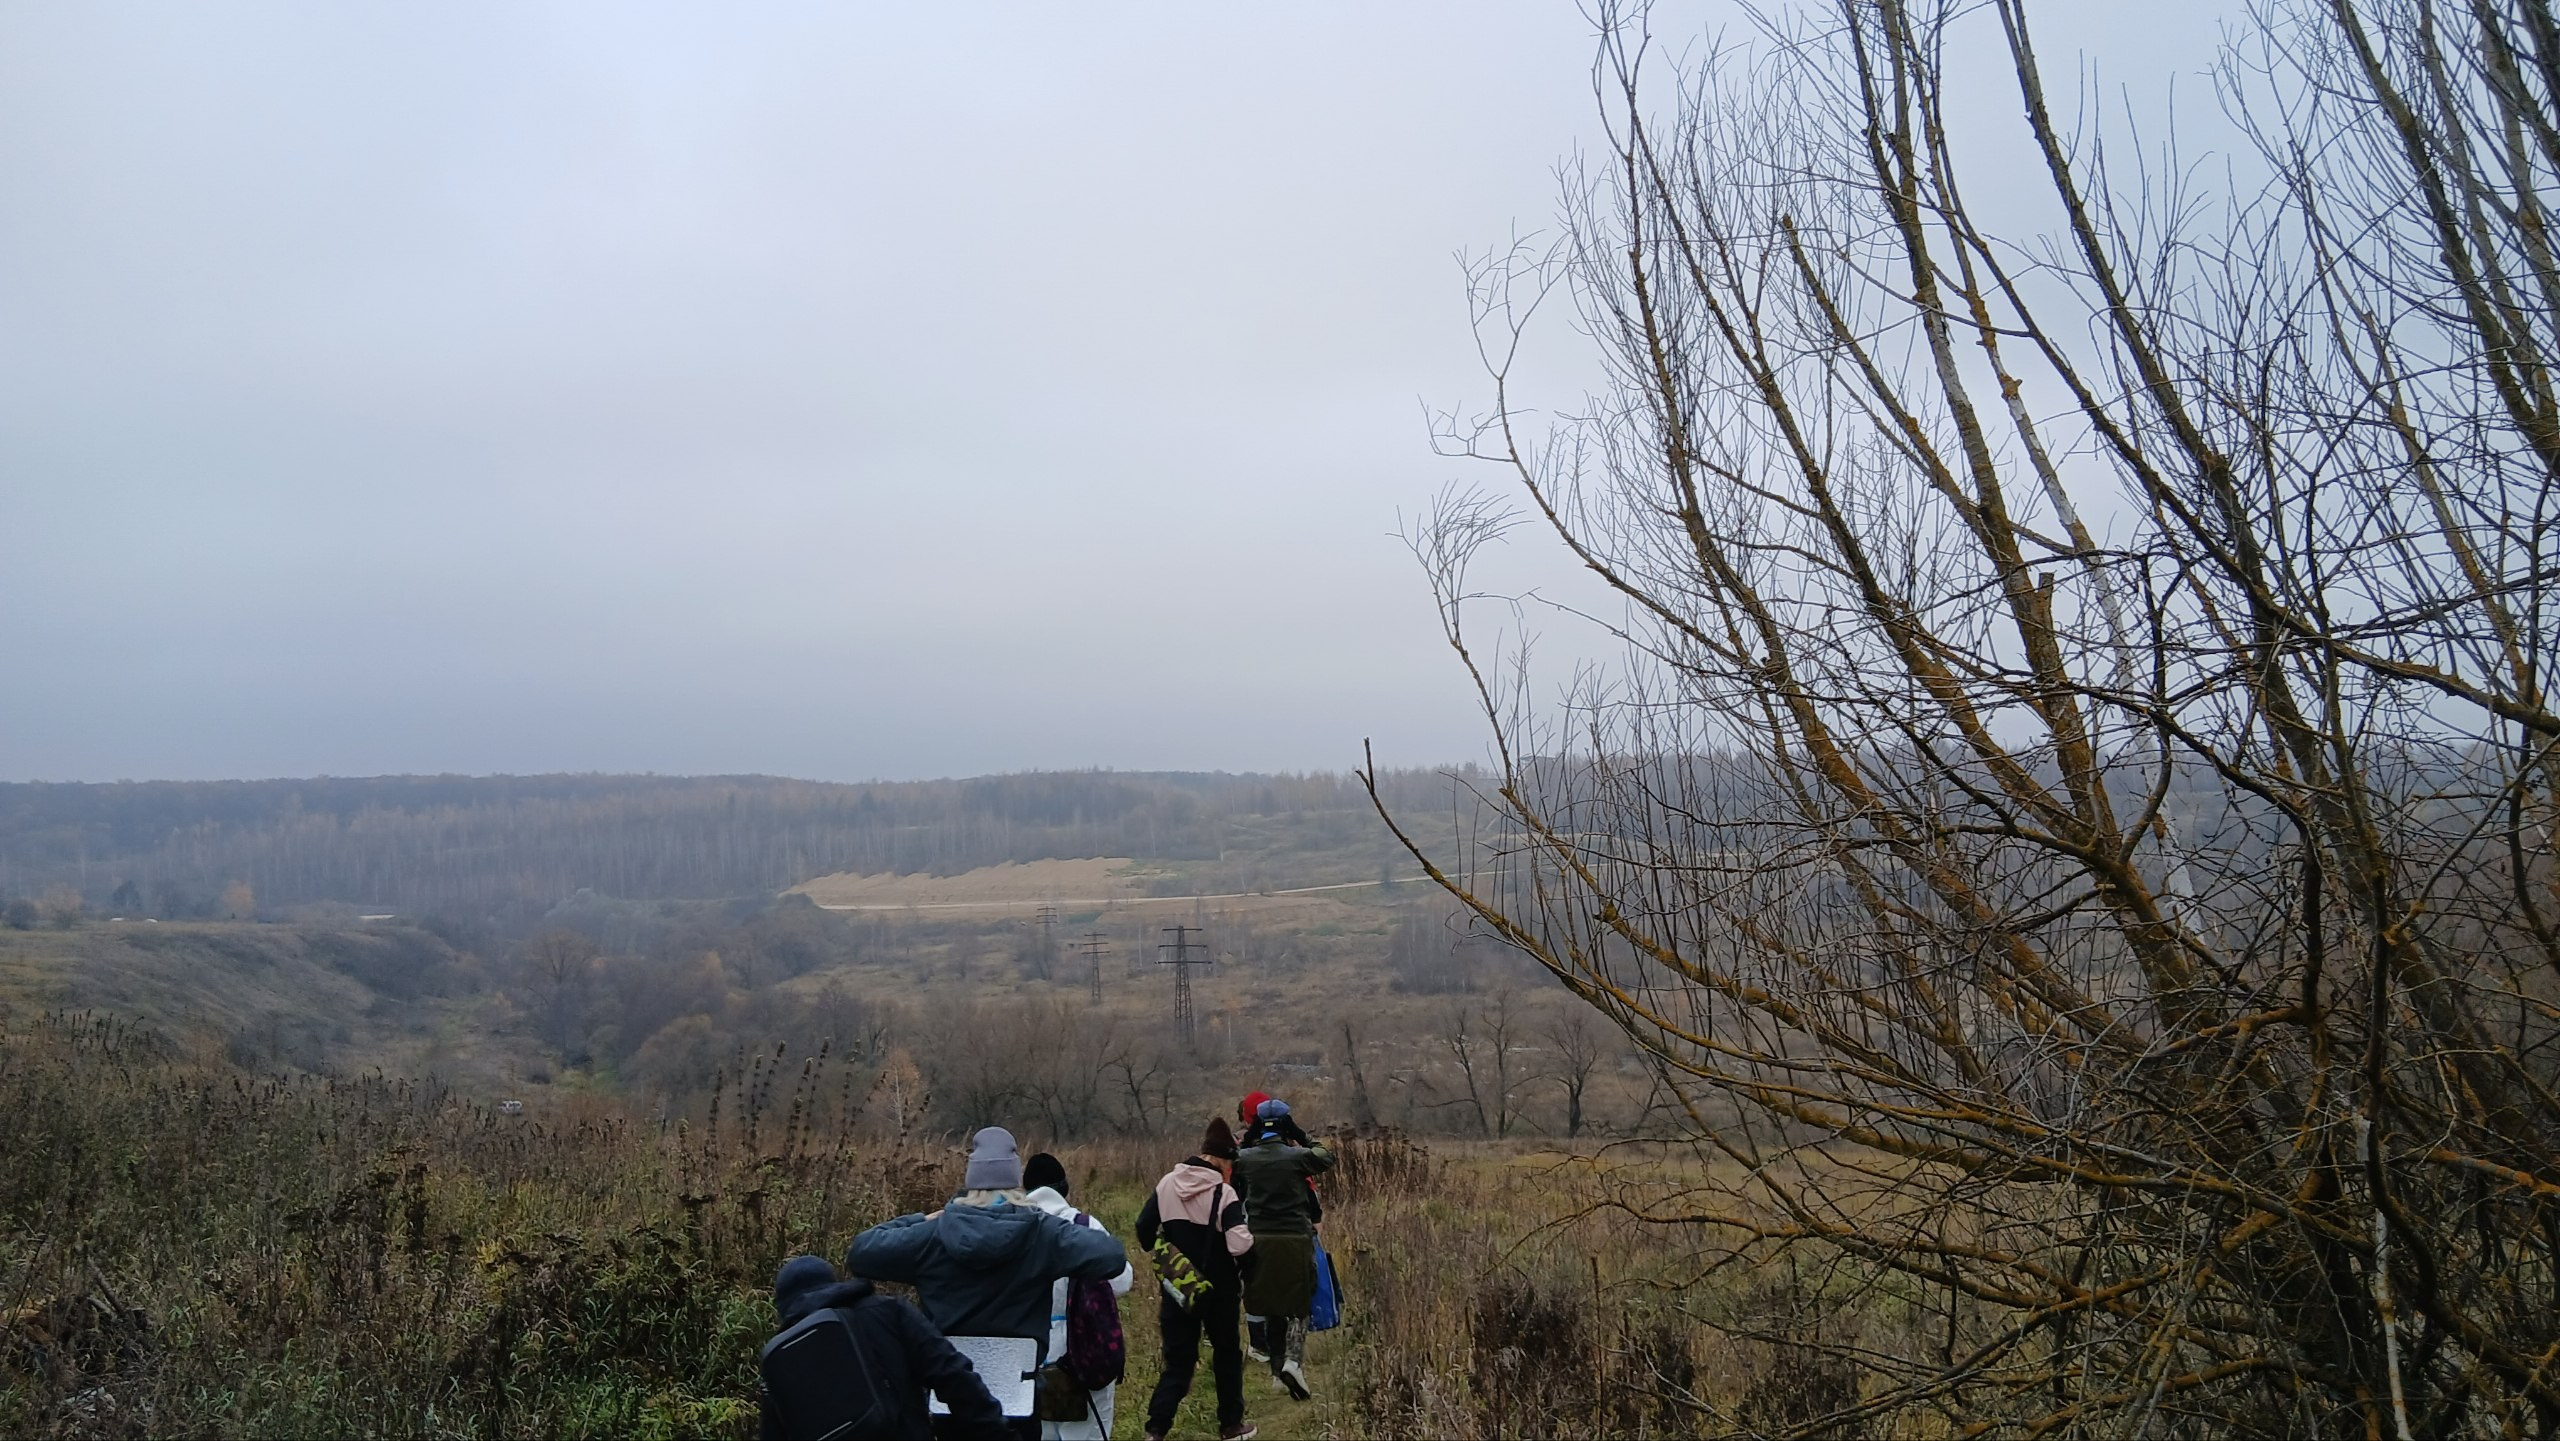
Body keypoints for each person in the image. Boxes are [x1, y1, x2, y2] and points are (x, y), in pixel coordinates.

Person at [848, 1127, 1128, 1440]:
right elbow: (1112, 1256)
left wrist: (922, 1220)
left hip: (949, 1395)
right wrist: (1049, 1226)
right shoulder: (1041, 1234)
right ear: (1014, 1177)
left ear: (971, 1178)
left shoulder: (934, 1235)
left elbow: (862, 1252)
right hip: (1020, 1401)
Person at [759, 1253, 1010, 1441]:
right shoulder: (889, 1312)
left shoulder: (780, 1358)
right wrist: (994, 1431)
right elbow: (953, 1375)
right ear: (835, 1283)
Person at [1135, 1117, 1257, 1441]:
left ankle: (1155, 1429)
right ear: (1222, 1160)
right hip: (1220, 1291)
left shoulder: (1166, 1185)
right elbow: (1239, 1244)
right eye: (1230, 1163)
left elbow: (1143, 1231)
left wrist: (1165, 1244)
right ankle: (1231, 1426)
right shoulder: (1224, 1193)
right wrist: (1251, 1266)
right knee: (1227, 1354)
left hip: (1179, 1289)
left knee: (1178, 1362)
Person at [1020, 1152, 1134, 1441]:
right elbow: (1121, 1281)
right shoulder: (1084, 1226)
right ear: (1064, 1188)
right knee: (1086, 1433)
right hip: (1082, 1350)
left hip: (1028, 1352)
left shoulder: (1013, 1229)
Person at [1231, 1098, 1333, 1400]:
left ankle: (1276, 1371)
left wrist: (1249, 1138)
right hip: (1295, 1239)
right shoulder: (1298, 1157)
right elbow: (1325, 1157)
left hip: (1258, 1239)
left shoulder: (1245, 1158)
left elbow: (1231, 1169)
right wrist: (1301, 1136)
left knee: (1271, 1304)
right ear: (1287, 1124)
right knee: (1299, 1303)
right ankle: (1293, 1362)